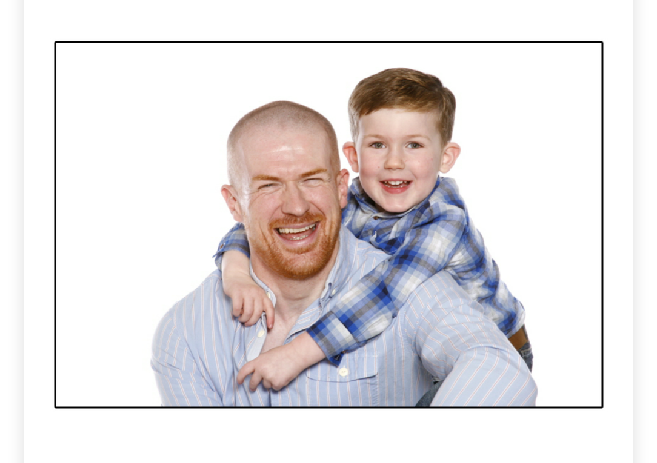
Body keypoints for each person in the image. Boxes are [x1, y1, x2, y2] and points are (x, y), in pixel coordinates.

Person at [151, 99, 537, 406]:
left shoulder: (422, 263)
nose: (296, 206)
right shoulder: (186, 331)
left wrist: (300, 352)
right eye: (269, 186)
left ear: (339, 188)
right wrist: (234, 270)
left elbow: (499, 369)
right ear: (234, 203)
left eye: (311, 180)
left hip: (508, 336)